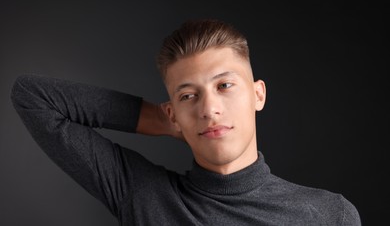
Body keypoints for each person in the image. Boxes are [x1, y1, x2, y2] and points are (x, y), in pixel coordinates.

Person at [11, 19, 361, 225]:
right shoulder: (144, 195)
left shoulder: (329, 215)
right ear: (173, 111)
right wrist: (169, 122)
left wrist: (182, 117)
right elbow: (34, 97)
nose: (209, 110)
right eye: (189, 96)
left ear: (258, 95)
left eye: (224, 86)